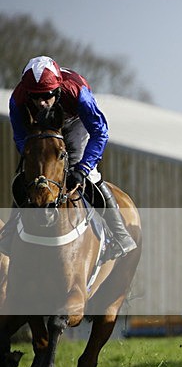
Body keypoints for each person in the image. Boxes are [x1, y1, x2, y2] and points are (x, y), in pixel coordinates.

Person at [2, 55, 136, 258]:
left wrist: (83, 168)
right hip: (41, 131)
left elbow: (100, 132)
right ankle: (12, 229)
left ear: (57, 90)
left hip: (75, 123)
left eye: (47, 95)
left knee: (87, 174)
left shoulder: (78, 94)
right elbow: (20, 137)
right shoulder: (18, 100)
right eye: (35, 97)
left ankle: (119, 234)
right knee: (27, 175)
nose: (42, 103)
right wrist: (35, 159)